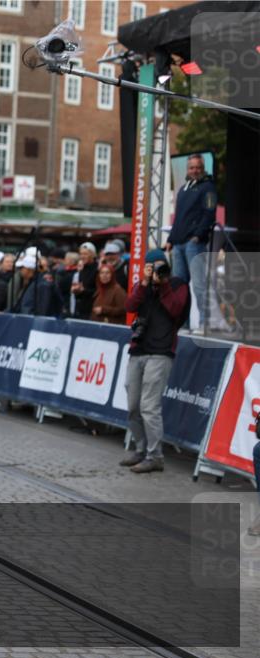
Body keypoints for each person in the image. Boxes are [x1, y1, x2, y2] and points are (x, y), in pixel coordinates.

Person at [120, 248, 190, 473]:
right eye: (152, 266)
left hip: (161, 352)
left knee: (149, 406)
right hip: (138, 350)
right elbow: (130, 306)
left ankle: (155, 456)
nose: (157, 269)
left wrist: (163, 284)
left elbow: (176, 310)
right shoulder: (143, 285)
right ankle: (141, 449)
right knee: (133, 406)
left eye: (161, 265)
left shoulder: (178, 285)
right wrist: (144, 284)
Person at [166, 154, 217, 327]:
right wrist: (170, 239)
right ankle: (183, 324)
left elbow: (210, 214)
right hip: (178, 244)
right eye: (192, 167)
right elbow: (178, 218)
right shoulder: (182, 189)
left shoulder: (209, 187)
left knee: (199, 286)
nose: (195, 170)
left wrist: (197, 236)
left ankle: (204, 324)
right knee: (179, 288)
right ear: (188, 169)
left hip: (194, 244)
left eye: (198, 167)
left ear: (203, 169)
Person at [71, 242, 99, 319]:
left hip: (91, 311)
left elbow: (98, 291)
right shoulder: (83, 268)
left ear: (93, 255)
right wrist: (76, 290)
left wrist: (84, 290)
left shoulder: (98, 270)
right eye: (81, 254)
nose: (82, 256)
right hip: (79, 310)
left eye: (85, 254)